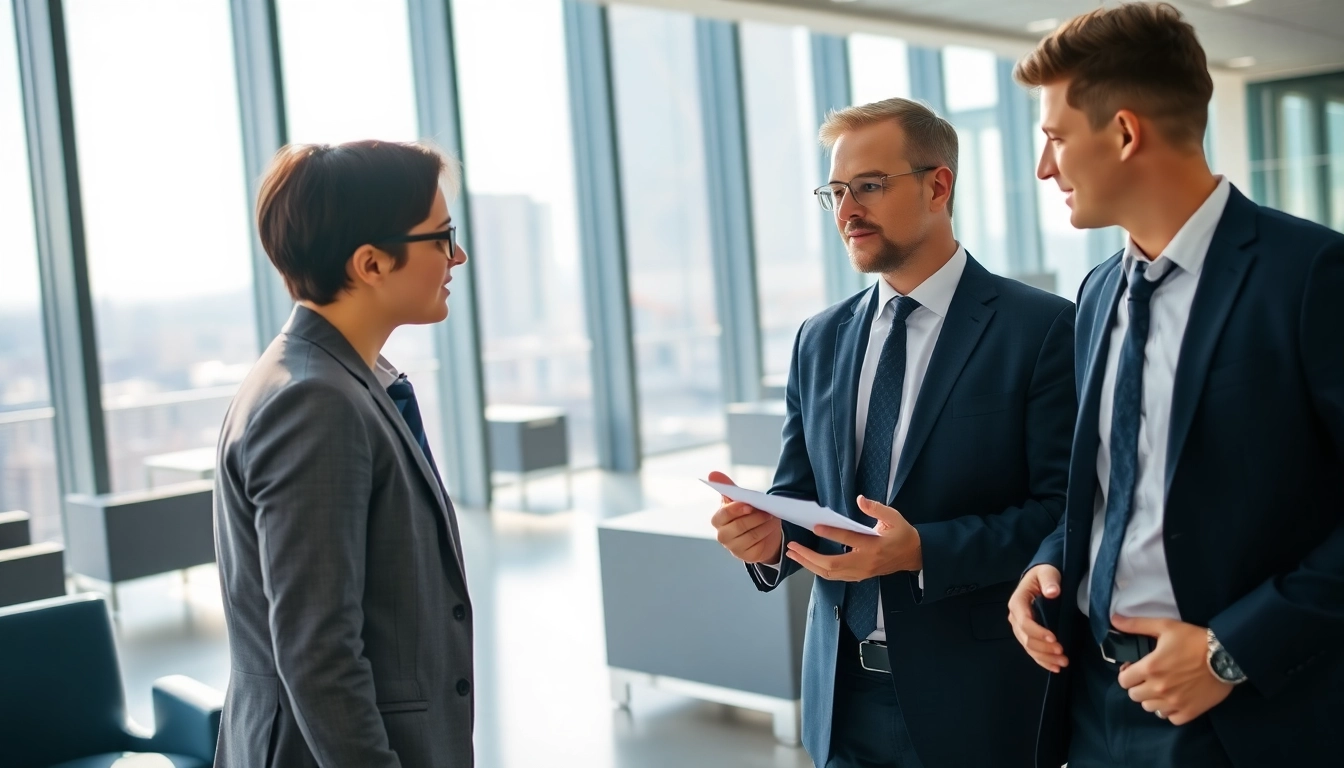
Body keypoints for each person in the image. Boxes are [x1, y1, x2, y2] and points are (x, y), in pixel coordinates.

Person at [1006, 4, 1344, 767]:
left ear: (1125, 133)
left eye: (1055, 136)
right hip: (1094, 704)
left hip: (1251, 716)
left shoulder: (1311, 276)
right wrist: (1047, 560)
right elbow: (1113, 487)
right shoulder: (1095, 294)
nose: (1044, 167)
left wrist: (1232, 651)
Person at [710, 98, 1076, 767]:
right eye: (836, 192)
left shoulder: (1042, 328)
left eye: (870, 187)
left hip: (979, 704)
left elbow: (1066, 513)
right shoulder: (818, 339)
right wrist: (768, 536)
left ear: (939, 185)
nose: (847, 212)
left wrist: (921, 551)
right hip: (839, 697)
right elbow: (801, 494)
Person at [213, 140, 474, 767]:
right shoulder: (313, 402)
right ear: (371, 263)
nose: (457, 256)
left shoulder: (333, 379)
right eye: (441, 237)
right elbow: (317, 652)